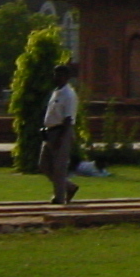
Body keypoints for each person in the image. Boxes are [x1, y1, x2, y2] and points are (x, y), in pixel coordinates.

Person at [41, 61, 81, 205]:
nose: (56, 77)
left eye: (59, 74)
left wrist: (61, 138)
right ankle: (69, 187)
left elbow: (68, 119)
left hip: (62, 132)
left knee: (59, 167)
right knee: (44, 164)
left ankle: (59, 198)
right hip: (50, 132)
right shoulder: (56, 92)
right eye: (55, 74)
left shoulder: (69, 94)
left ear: (67, 77)